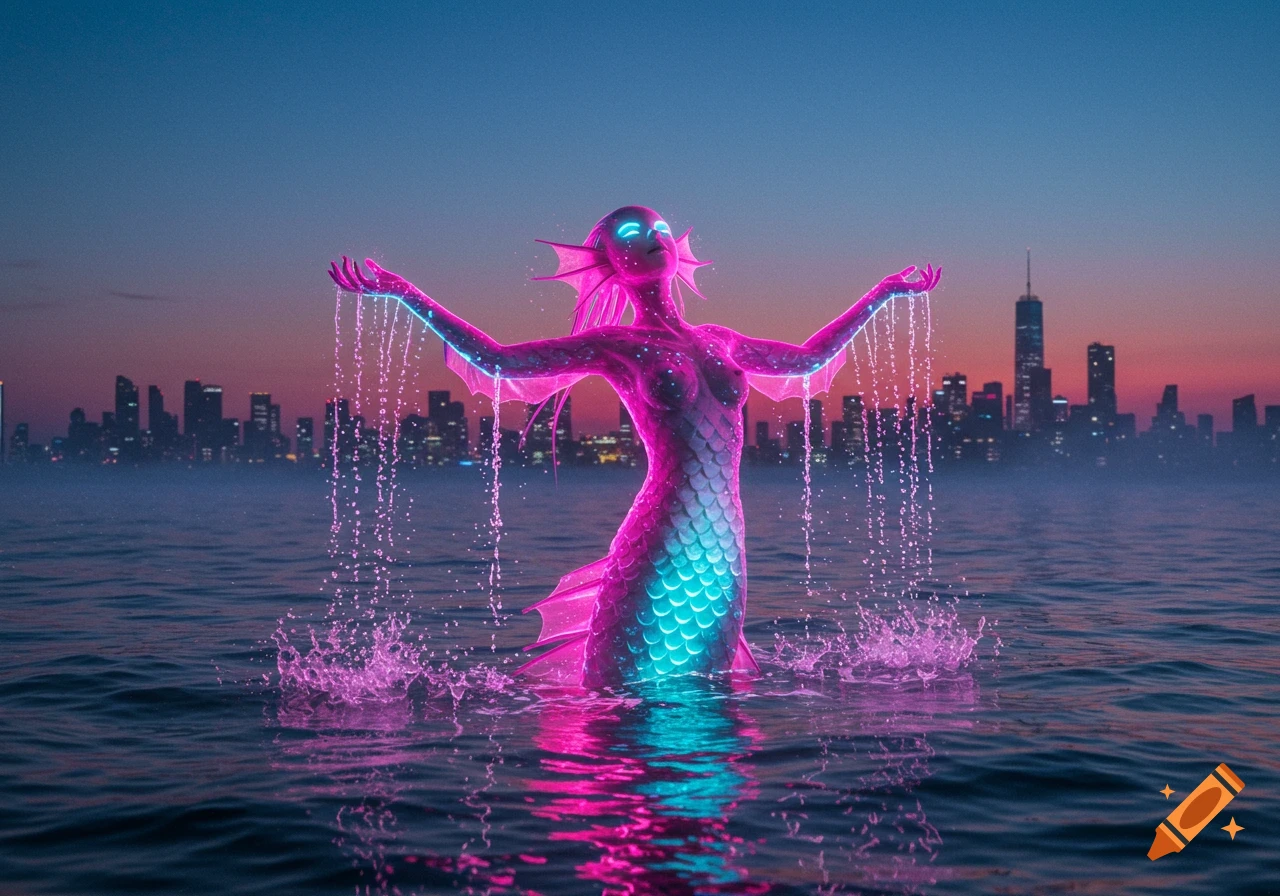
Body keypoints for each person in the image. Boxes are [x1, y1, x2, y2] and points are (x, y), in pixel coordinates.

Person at [329, 205, 938, 688]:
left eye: (661, 227)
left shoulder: (720, 338)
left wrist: (879, 295)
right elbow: (497, 360)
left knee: (707, 685)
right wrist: (407, 294)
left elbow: (810, 360)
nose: (653, 235)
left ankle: (690, 820)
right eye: (632, 230)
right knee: (623, 689)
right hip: (664, 527)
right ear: (611, 260)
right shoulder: (613, 343)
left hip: (725, 540)